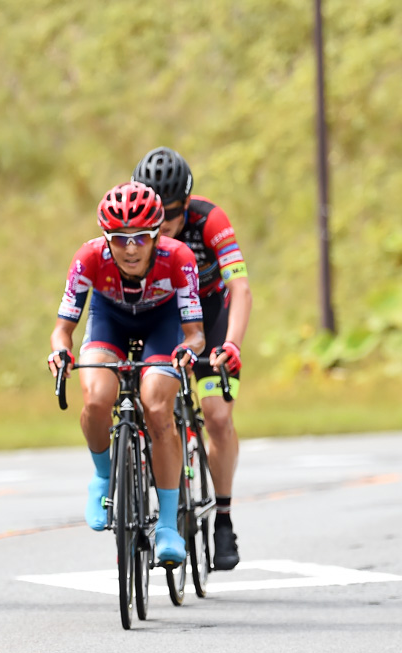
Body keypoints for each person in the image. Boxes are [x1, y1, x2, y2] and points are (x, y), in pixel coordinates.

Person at [48, 181, 204, 565]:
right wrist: (60, 352)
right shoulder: (88, 258)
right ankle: (103, 477)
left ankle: (167, 525)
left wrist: (188, 350)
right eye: (119, 239)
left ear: (156, 235)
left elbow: (196, 334)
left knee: (156, 406)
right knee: (98, 398)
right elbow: (62, 329)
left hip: (162, 326)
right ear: (106, 238)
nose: (131, 248)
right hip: (109, 323)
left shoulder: (179, 257)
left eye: (140, 238)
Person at [132, 147, 251, 570]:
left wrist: (232, 345)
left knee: (217, 415)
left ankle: (222, 518)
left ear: (188, 203)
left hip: (210, 317)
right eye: (157, 217)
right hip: (161, 318)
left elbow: (239, 287)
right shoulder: (134, 228)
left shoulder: (209, 220)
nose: (165, 226)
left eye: (174, 214)